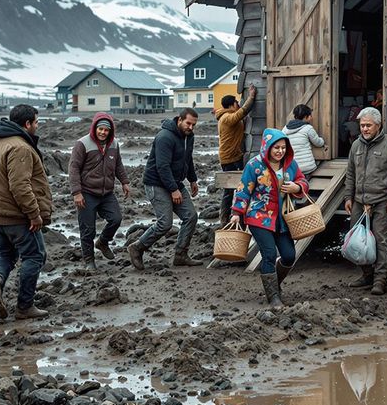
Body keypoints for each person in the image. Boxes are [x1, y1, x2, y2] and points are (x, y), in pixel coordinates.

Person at [0, 104, 51, 321]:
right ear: (27, 124)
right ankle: (25, 306)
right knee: (35, 255)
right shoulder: (20, 147)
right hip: (17, 216)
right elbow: (20, 186)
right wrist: (34, 214)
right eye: (36, 122)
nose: (37, 126)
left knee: (5, 254)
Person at [227, 128, 310, 308]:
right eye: (276, 148)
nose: (280, 151)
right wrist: (236, 213)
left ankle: (274, 285)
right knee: (269, 254)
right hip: (258, 216)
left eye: (283, 148)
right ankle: (273, 297)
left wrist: (297, 187)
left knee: (289, 256)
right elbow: (243, 189)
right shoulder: (254, 165)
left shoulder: (290, 164)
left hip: (282, 219)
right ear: (266, 147)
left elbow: (303, 181)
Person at [343, 107, 387, 295]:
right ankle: (366, 275)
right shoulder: (356, 146)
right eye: (362, 125)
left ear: (378, 125)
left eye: (368, 125)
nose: (364, 129)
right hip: (358, 201)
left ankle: (380, 280)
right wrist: (348, 197)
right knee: (358, 239)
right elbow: (350, 173)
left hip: (382, 200)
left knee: (380, 240)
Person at [129, 108, 200, 270]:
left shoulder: (189, 137)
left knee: (190, 216)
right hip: (156, 183)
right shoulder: (164, 137)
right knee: (165, 223)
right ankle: (137, 247)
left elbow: (187, 159)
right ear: (179, 120)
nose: (191, 127)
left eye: (194, 125)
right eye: (188, 123)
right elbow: (162, 167)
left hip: (174, 182)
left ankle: (181, 255)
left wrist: (192, 179)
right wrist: (173, 189)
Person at [68, 112, 131, 270]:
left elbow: (118, 165)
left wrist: (124, 181)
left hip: (106, 193)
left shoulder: (114, 144)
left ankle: (103, 242)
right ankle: (89, 261)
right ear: (94, 128)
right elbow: (73, 168)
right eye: (100, 129)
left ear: (110, 131)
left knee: (116, 219)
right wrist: (76, 192)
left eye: (106, 130)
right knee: (88, 229)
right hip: (86, 193)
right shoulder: (82, 143)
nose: (103, 132)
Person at [214, 84, 257, 220]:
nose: (238, 104)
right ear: (231, 105)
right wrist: (251, 97)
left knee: (237, 188)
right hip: (229, 159)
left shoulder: (227, 116)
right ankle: (225, 219)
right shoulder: (226, 118)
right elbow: (243, 112)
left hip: (234, 156)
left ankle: (235, 216)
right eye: (236, 103)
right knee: (229, 191)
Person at [282, 103, 326, 176]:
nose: (311, 117)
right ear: (306, 117)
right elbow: (318, 143)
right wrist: (323, 141)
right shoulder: (308, 128)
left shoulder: (285, 129)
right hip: (307, 167)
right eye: (310, 115)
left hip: (292, 168)